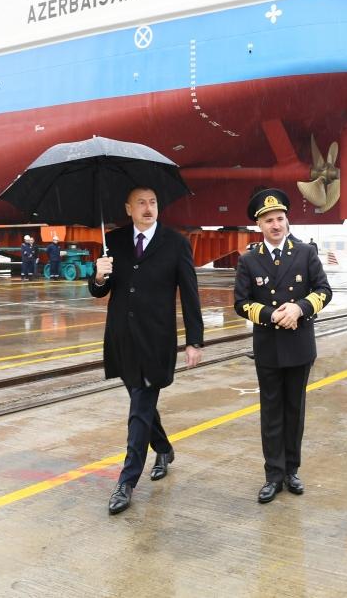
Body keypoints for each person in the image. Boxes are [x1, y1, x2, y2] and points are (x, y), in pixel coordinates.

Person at [89, 186, 204, 515]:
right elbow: (101, 291)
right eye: (141, 203)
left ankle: (126, 482)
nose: (148, 207)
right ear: (128, 208)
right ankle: (164, 448)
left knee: (139, 408)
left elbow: (190, 294)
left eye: (153, 202)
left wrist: (194, 340)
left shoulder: (176, 243)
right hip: (122, 339)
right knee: (141, 404)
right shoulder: (114, 241)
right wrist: (98, 276)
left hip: (155, 341)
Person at [234, 188, 332, 504]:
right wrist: (271, 314)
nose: (276, 225)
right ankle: (273, 476)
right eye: (269, 221)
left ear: (286, 220)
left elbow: (324, 290)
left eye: (280, 219)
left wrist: (300, 308)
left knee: (295, 412)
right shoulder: (249, 260)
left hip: (299, 344)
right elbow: (241, 302)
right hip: (269, 347)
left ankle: (292, 471)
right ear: (259, 226)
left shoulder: (305, 253)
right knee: (271, 413)